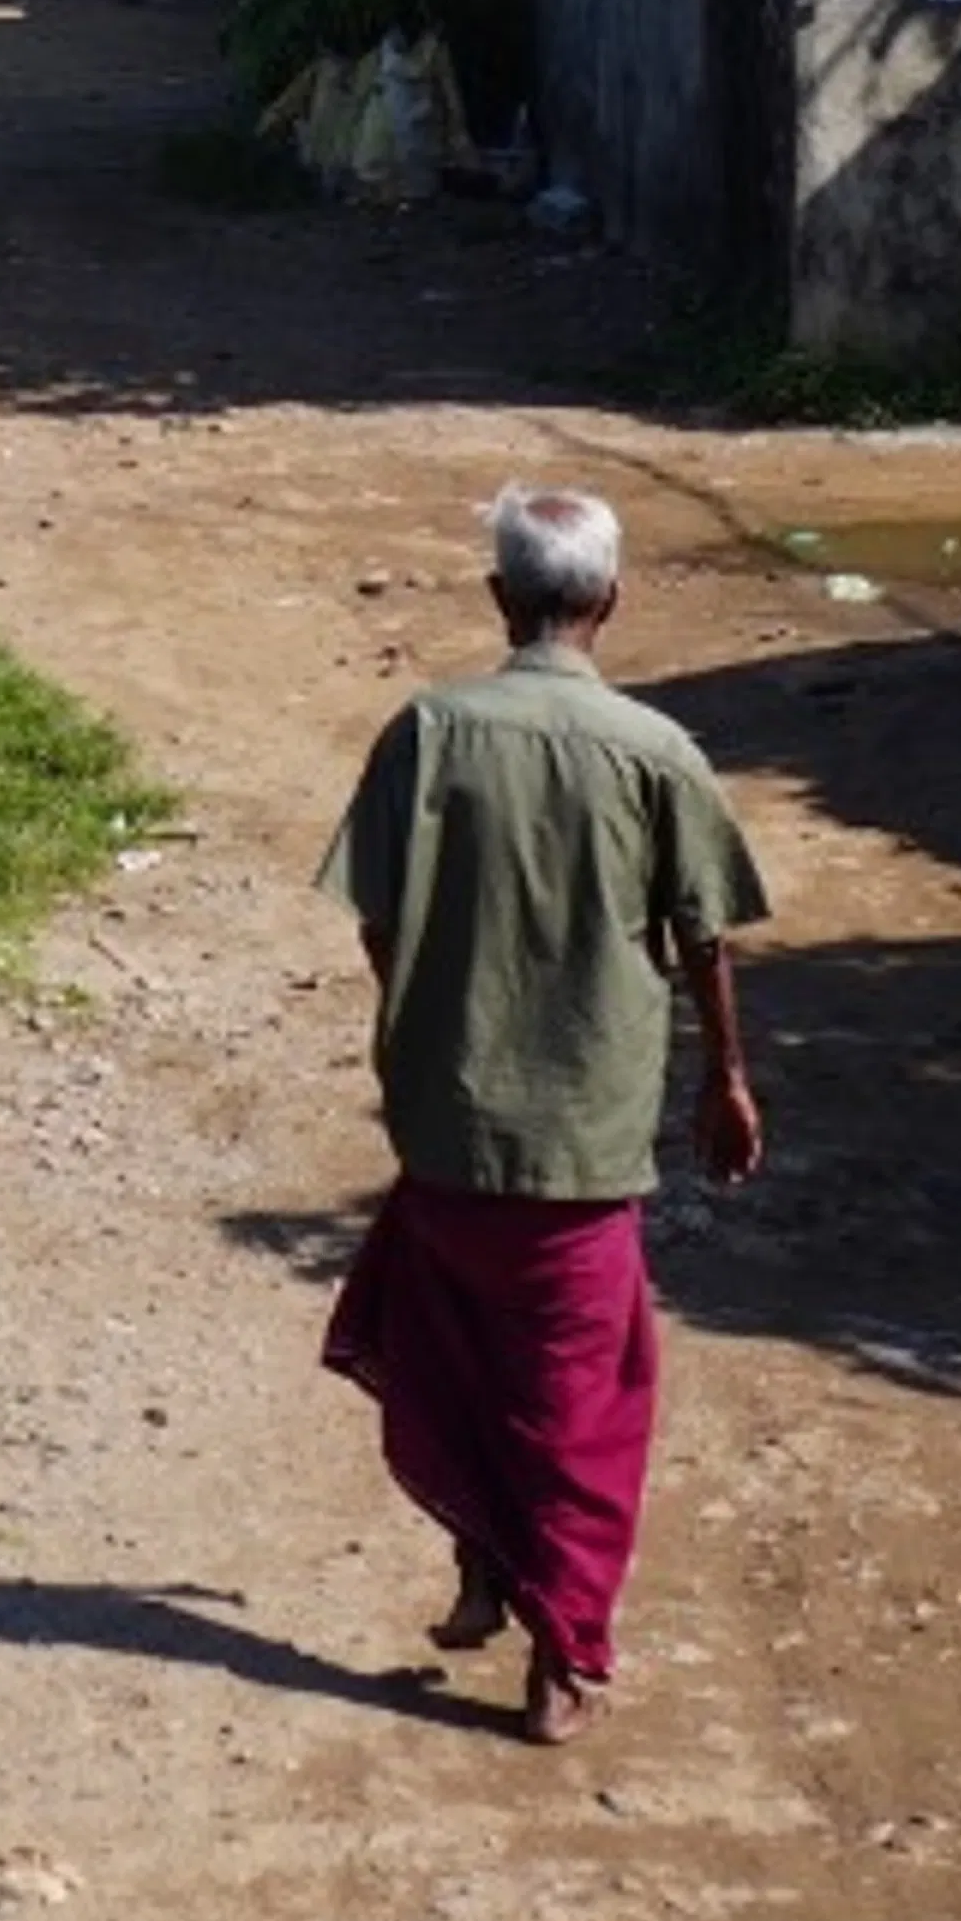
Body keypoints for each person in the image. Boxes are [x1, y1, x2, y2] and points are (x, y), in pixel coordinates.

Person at [317, 481, 767, 1743]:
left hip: (451, 1128)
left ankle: (484, 1560)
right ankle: (562, 1656)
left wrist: (432, 1015)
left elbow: (374, 914)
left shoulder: (430, 733)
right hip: (586, 1140)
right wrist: (727, 1079)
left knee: (452, 1355)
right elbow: (706, 936)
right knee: (580, 1403)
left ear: (500, 598)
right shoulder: (658, 754)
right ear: (610, 601)